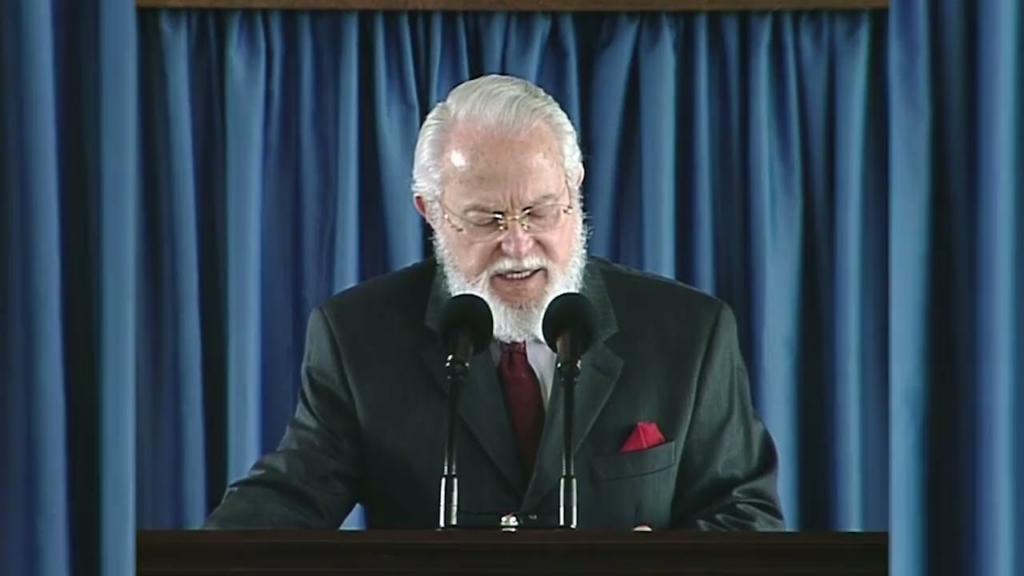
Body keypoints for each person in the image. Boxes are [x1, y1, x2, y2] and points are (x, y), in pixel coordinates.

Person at [203, 74, 785, 531]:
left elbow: (746, 517)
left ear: (575, 187)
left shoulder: (690, 333)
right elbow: (289, 500)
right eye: (487, 219)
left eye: (539, 211)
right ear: (431, 212)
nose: (518, 245)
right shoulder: (358, 338)